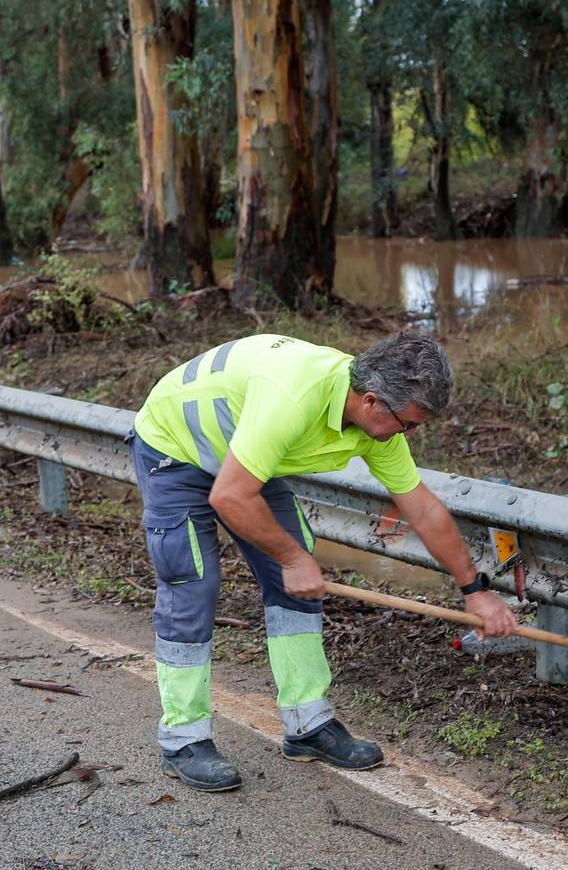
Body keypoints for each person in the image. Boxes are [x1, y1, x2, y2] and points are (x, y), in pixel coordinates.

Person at [127, 330, 518, 792]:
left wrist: (476, 590)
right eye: (408, 425)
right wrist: (292, 558)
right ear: (372, 401)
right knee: (193, 587)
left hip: (246, 454)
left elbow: (423, 509)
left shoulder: (379, 426)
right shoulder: (293, 398)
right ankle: (183, 738)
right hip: (175, 451)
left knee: (298, 584)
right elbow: (231, 495)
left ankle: (307, 724)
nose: (410, 435)